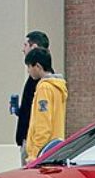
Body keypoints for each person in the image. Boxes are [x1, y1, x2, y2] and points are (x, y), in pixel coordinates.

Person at [23, 47, 68, 162]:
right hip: (54, 149)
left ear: (37, 66)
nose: (28, 71)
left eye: (29, 66)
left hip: (42, 153)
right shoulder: (58, 87)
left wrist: (35, 154)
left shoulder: (44, 88)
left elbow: (43, 124)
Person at [14, 30, 49, 163]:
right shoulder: (36, 79)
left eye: (25, 45)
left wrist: (34, 153)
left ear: (34, 47)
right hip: (29, 139)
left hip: (33, 144)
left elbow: (43, 119)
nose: (23, 49)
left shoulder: (42, 84)